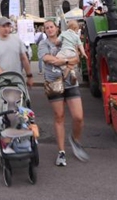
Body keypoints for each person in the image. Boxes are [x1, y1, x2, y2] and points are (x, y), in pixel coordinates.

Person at [39, 20, 88, 166]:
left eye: (51, 27)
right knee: (59, 116)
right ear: (45, 31)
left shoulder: (67, 37)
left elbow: (77, 57)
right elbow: (48, 59)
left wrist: (63, 61)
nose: (49, 29)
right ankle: (61, 152)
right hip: (54, 82)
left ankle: (75, 139)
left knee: (78, 117)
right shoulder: (43, 44)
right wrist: (67, 61)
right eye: (46, 28)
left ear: (57, 28)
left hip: (70, 82)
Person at [0, 17, 33, 89]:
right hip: (0, 80)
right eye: (3, 26)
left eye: (8, 26)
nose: (6, 29)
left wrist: (29, 75)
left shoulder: (17, 40)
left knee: (22, 99)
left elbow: (24, 58)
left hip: (17, 79)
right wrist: (4, 74)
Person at [56, 20, 87, 85]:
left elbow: (57, 41)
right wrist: (83, 53)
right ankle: (72, 74)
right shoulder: (76, 36)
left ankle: (65, 70)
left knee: (57, 60)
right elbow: (80, 45)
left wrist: (57, 44)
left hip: (64, 51)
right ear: (76, 28)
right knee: (72, 62)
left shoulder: (64, 33)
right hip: (73, 52)